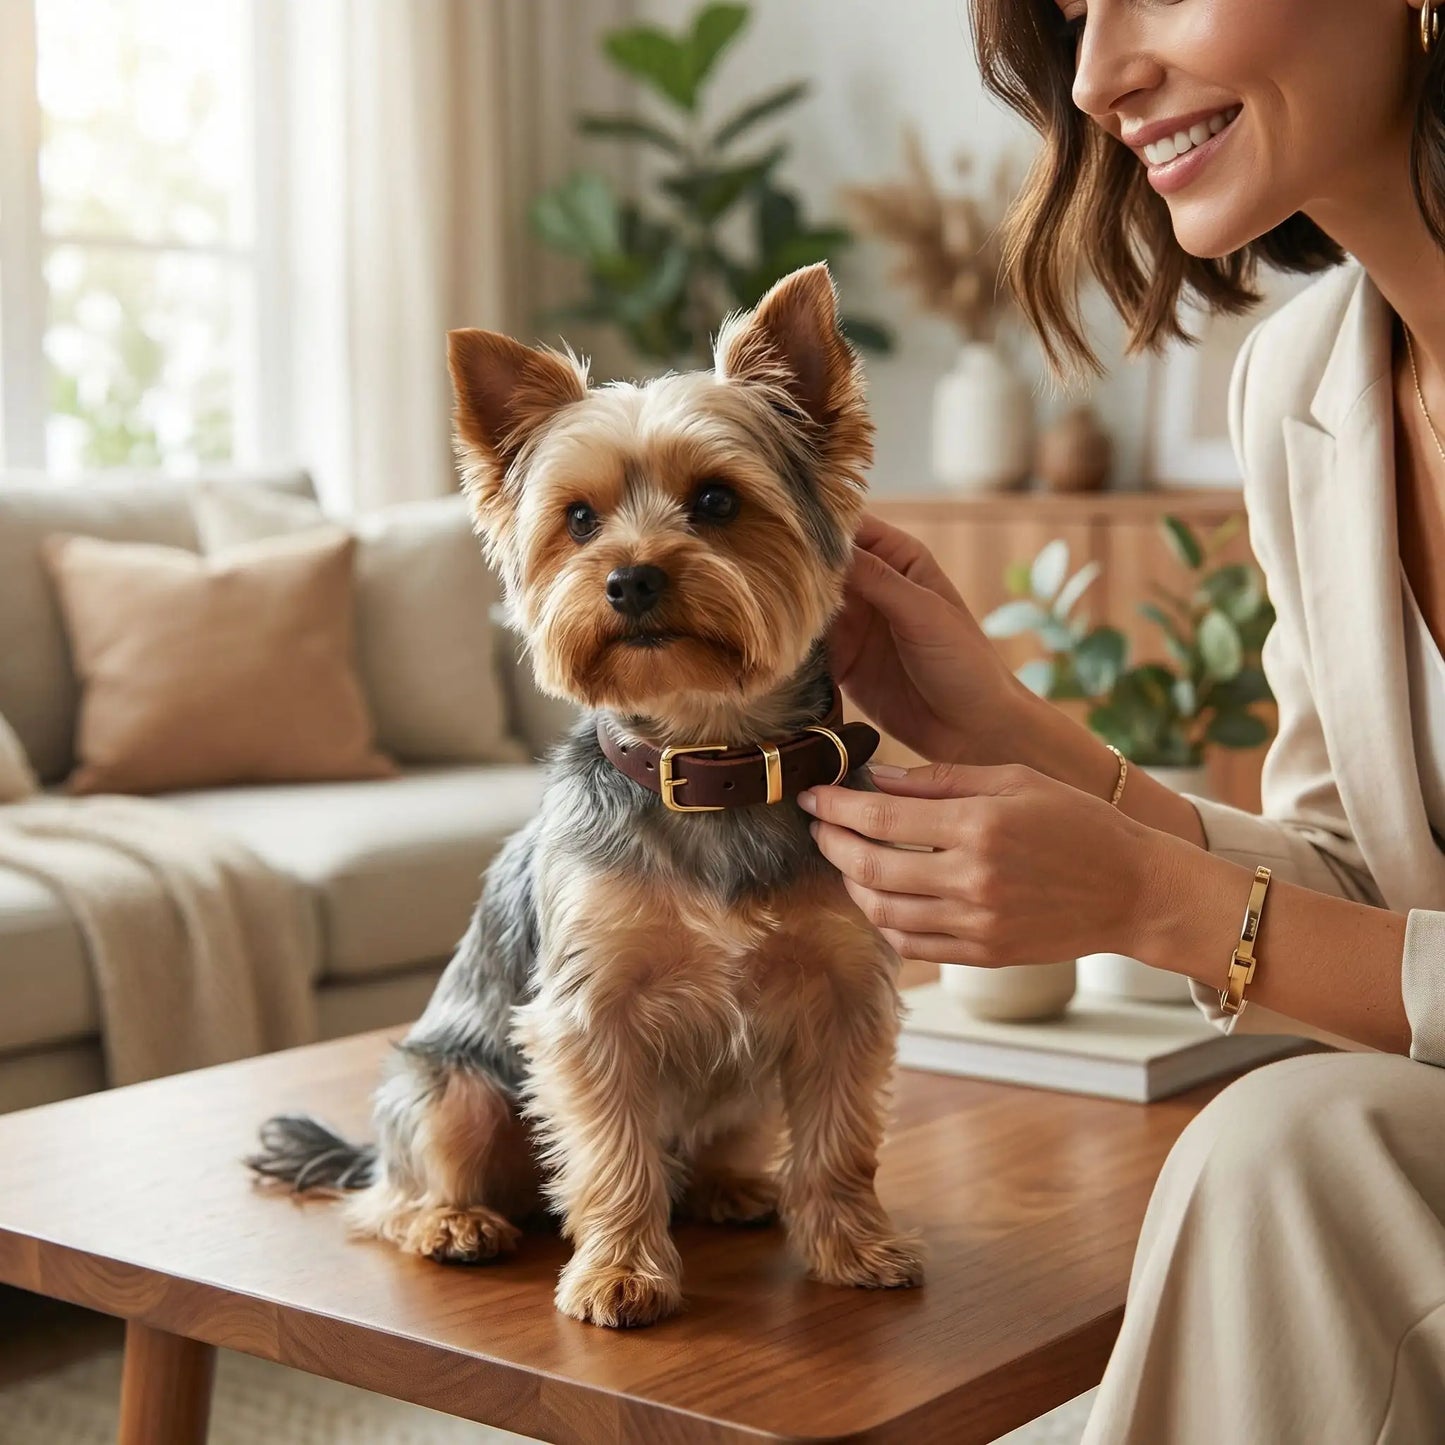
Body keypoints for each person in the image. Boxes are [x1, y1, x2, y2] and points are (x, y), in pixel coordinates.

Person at [797, 2, 1445, 1440]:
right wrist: (1001, 732)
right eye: (1076, 15)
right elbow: (1366, 891)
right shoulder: (1300, 384)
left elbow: (1312, 948)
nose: (1094, 75)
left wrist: (1154, 898)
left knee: (1294, 1147)